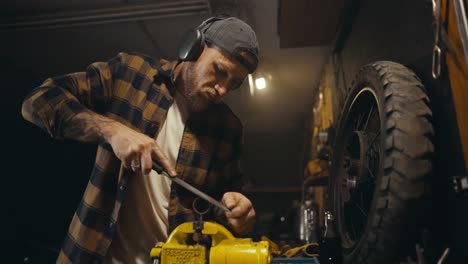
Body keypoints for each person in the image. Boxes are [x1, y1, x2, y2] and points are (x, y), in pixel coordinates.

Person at [21, 15, 259, 264]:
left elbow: (224, 211)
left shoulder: (228, 128)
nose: (223, 90)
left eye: (235, 84)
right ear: (193, 48)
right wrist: (112, 130)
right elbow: (38, 101)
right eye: (219, 71)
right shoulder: (130, 73)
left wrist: (239, 215)